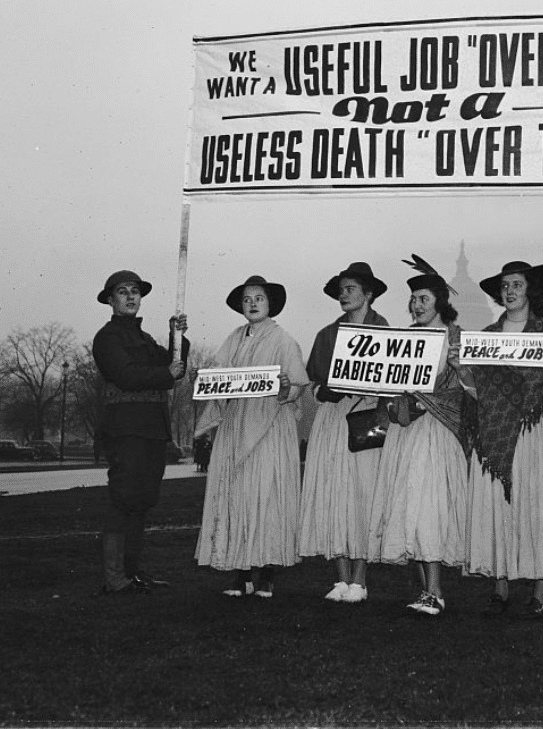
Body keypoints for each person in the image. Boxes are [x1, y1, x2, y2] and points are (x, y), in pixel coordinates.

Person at [462, 260, 543, 620]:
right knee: (496, 505)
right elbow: (476, 392)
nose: (510, 292)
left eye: (516, 284)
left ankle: (542, 588)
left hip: (534, 430)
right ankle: (500, 586)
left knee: (539, 506)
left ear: (530, 290)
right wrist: (463, 371)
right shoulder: (485, 337)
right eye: (504, 286)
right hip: (495, 431)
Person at [194, 276, 308, 598]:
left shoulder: (284, 341)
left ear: (270, 303)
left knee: (267, 494)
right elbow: (218, 376)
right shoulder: (233, 340)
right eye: (247, 299)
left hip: (270, 426)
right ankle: (240, 572)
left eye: (259, 298)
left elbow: (299, 385)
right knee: (235, 496)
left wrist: (288, 388)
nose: (253, 303)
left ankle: (267, 572)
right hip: (236, 423)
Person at [367, 262, 467, 617]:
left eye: (423, 298)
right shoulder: (406, 338)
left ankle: (435, 590)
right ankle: (427, 589)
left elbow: (466, 390)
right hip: (406, 431)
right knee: (410, 505)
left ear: (439, 301)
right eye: (412, 299)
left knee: (429, 508)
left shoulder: (455, 339)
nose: (416, 305)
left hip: (438, 433)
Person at [298, 262, 390, 603]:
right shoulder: (326, 335)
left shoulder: (386, 333)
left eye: (350, 289)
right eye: (341, 289)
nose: (343, 294)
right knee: (334, 493)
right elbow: (314, 384)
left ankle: (361, 578)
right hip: (333, 420)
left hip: (368, 417)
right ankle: (340, 579)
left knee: (363, 494)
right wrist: (326, 392)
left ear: (368, 294)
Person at [92, 269, 189, 595]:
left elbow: (174, 366)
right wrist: (166, 372)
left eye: (136, 291)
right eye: (123, 291)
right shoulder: (107, 338)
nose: (131, 296)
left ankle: (133, 572)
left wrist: (177, 337)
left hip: (151, 429)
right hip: (126, 429)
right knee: (123, 500)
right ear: (110, 299)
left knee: (143, 501)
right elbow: (128, 376)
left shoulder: (145, 339)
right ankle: (114, 575)